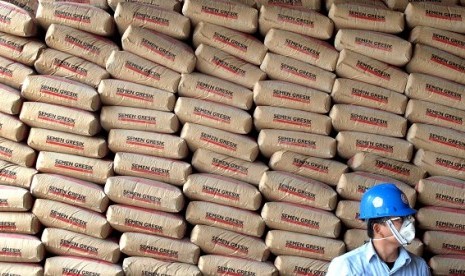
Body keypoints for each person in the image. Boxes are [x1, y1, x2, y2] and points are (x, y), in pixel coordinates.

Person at [326, 183, 431, 275]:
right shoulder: (347, 266)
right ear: (377, 229)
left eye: (407, 218)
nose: (408, 224)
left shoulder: (419, 267)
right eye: (399, 219)